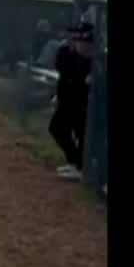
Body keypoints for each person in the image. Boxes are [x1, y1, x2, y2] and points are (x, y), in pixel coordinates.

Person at [50, 21, 95, 180]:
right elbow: (63, 71)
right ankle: (75, 162)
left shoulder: (95, 60)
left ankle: (81, 167)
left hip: (84, 104)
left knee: (82, 134)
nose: (76, 42)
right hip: (67, 101)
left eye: (80, 39)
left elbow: (85, 81)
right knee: (56, 128)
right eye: (75, 39)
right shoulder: (66, 53)